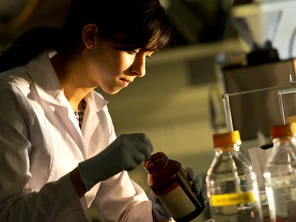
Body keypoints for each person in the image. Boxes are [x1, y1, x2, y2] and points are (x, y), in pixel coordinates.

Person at [0, 0, 208, 221]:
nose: (140, 70)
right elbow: (8, 214)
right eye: (133, 51)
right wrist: (86, 175)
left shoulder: (95, 112)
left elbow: (124, 211)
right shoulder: (12, 97)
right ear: (90, 36)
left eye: (147, 56)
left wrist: (162, 209)